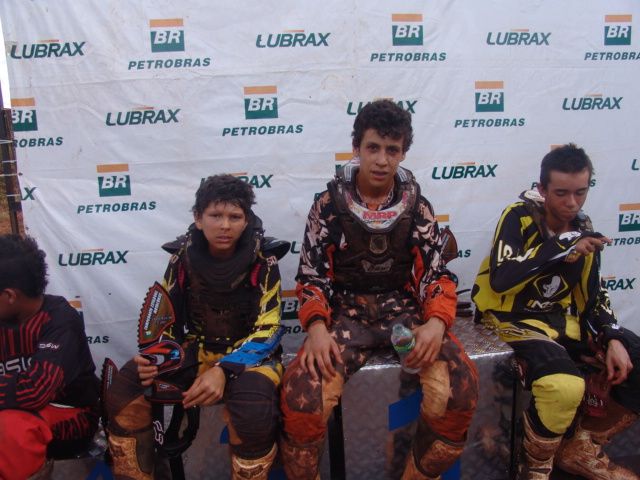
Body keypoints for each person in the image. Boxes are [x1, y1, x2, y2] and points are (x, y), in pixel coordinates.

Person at [280, 99, 479, 480]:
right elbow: (311, 276)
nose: (382, 160)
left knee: (459, 388)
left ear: (403, 153)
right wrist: (317, 328)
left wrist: (436, 323)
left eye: (392, 149)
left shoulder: (417, 207)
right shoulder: (328, 206)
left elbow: (435, 274)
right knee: (301, 398)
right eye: (373, 147)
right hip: (345, 316)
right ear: (356, 147)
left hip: (401, 317)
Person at [472, 144, 640, 479]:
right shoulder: (518, 216)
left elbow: (592, 296)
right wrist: (563, 246)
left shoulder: (583, 226)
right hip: (510, 320)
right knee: (564, 386)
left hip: (560, 321)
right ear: (543, 188)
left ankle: (581, 446)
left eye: (580, 192)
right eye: (561, 193)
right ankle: (534, 469)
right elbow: (503, 278)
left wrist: (612, 337)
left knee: (634, 357)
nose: (572, 203)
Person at [105, 174, 287, 480]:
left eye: (235, 217)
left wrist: (224, 370)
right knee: (125, 389)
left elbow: (269, 330)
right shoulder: (181, 257)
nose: (225, 225)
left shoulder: (264, 260)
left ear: (246, 220)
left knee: (253, 409)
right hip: (199, 346)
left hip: (253, 356)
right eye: (215, 215)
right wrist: (155, 357)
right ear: (198, 218)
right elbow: (164, 319)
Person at [0, 234, 100, 480]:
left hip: (72, 414)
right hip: (13, 407)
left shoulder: (60, 320)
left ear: (10, 296)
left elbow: (36, 390)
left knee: (11, 429)